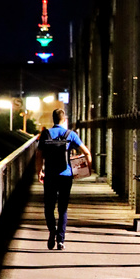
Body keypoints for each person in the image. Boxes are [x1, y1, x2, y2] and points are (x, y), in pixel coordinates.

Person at [36, 107, 92, 250]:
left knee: (49, 206)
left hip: (50, 176)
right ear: (64, 120)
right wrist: (88, 169)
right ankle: (61, 240)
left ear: (53, 119)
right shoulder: (70, 134)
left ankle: (52, 230)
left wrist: (39, 171)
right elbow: (86, 152)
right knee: (63, 208)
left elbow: (39, 155)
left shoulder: (46, 134)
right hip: (66, 176)